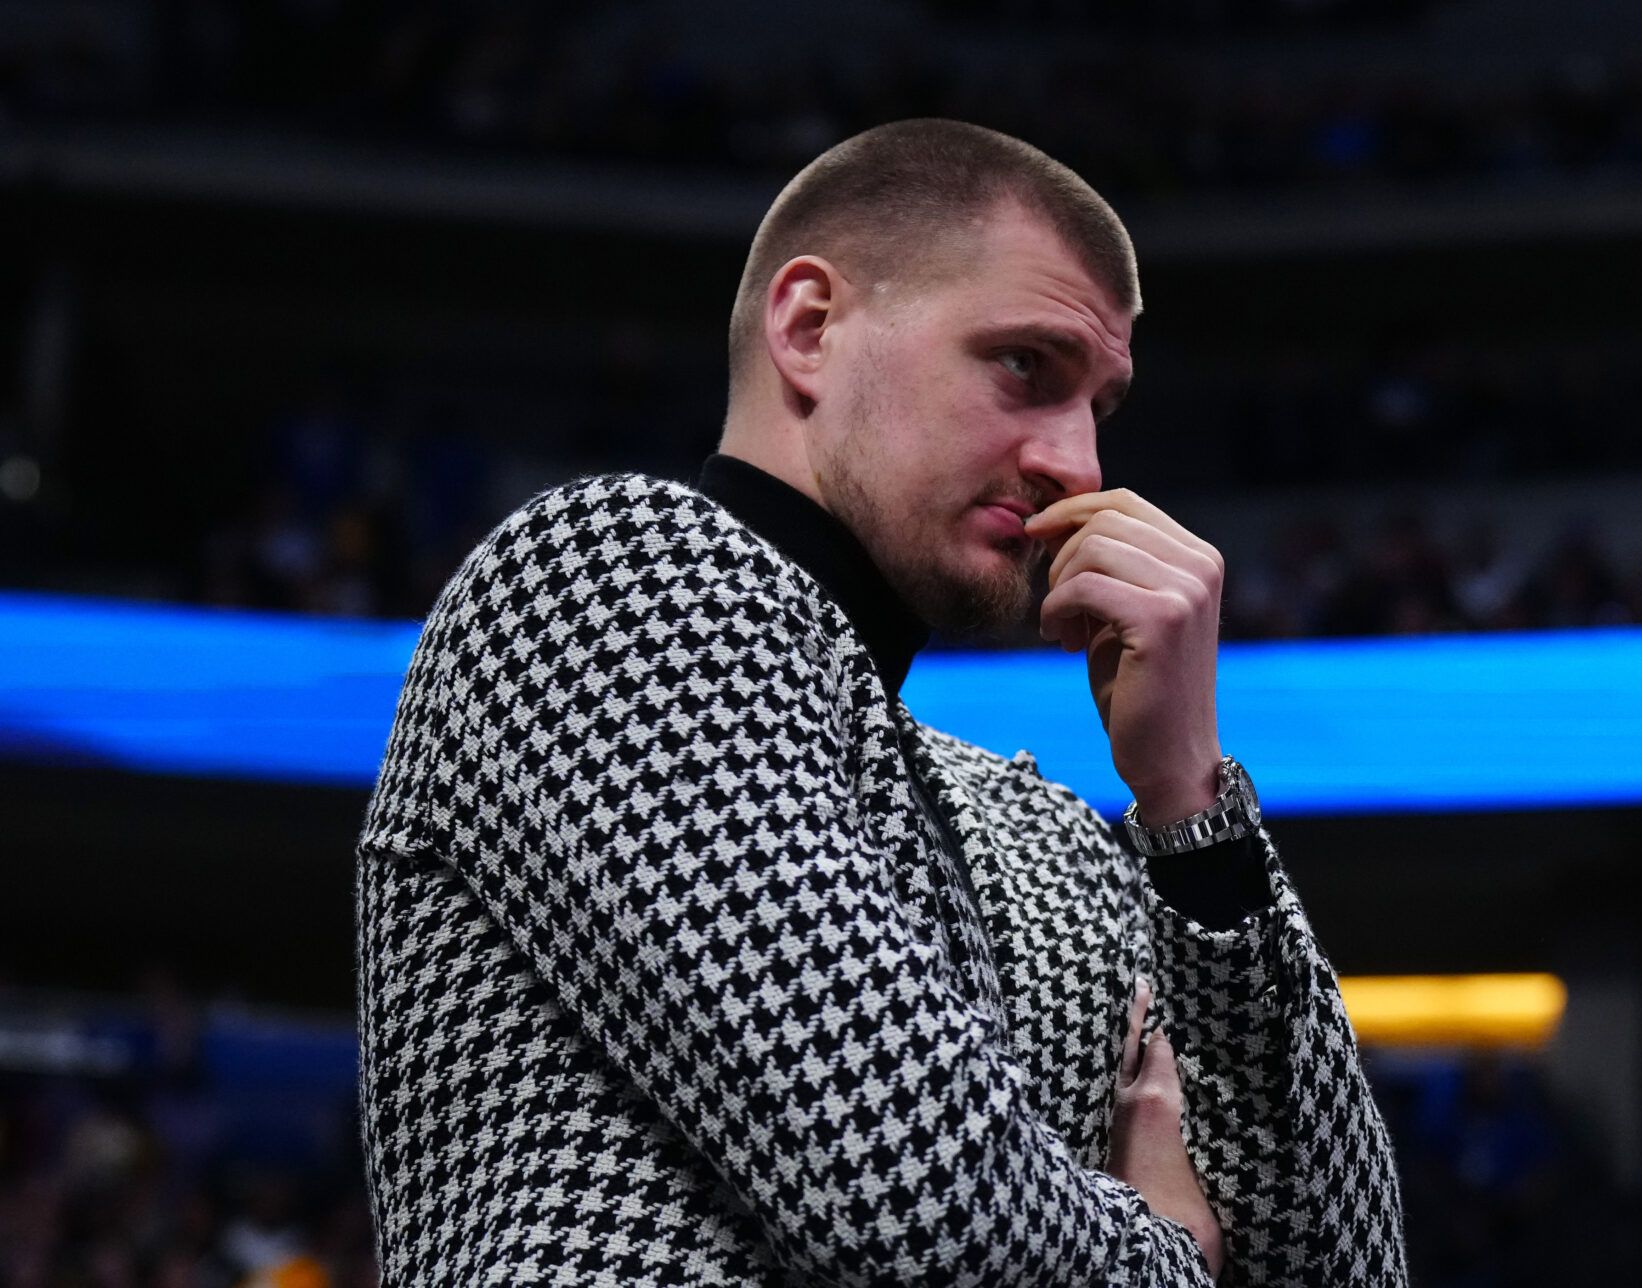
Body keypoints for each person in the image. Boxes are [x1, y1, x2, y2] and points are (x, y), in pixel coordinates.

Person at [356, 118, 1406, 1285]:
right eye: (1024, 367)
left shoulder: (1049, 838)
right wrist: (1168, 1262)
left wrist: (1187, 805)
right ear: (809, 329)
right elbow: (912, 1210)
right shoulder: (603, 577)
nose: (1078, 465)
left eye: (1097, 408)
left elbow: (1346, 1271)